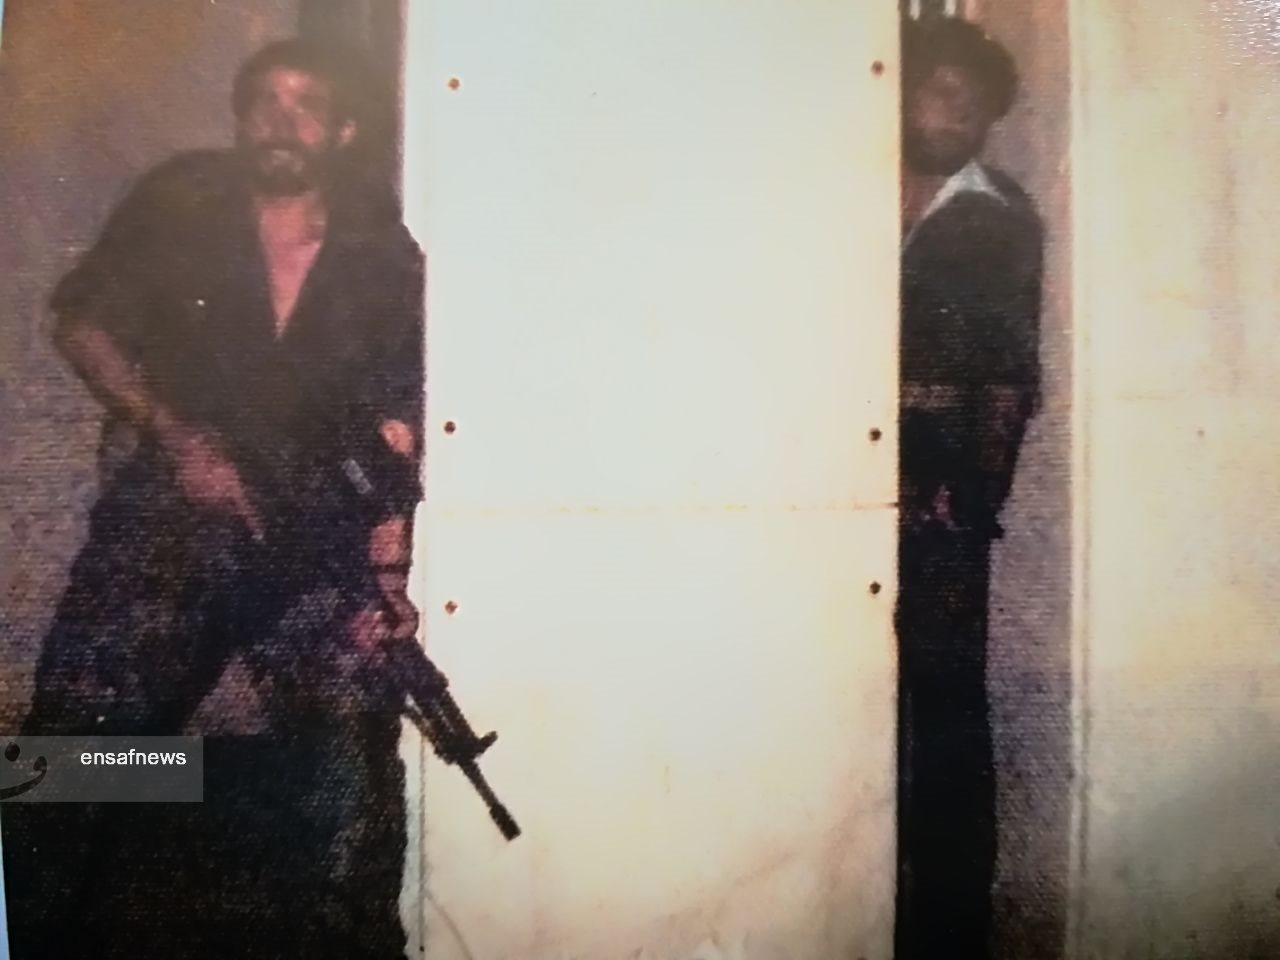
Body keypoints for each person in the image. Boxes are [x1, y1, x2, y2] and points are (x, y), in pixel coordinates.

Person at [1, 39, 424, 960]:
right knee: (75, 758)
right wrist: (175, 433)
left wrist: (388, 575)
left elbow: (397, 418)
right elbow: (81, 321)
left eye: (306, 104)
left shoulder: (382, 248)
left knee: (346, 767)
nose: (280, 120)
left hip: (312, 542)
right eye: (263, 100)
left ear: (343, 130)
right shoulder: (182, 198)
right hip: (167, 527)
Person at [895, 16, 1043, 960]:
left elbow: (1011, 380)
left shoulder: (997, 218)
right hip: (833, 486)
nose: (954, 114)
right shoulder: (840, 191)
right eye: (938, 91)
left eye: (973, 103)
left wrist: (973, 494)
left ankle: (952, 929)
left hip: (939, 505)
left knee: (946, 705)